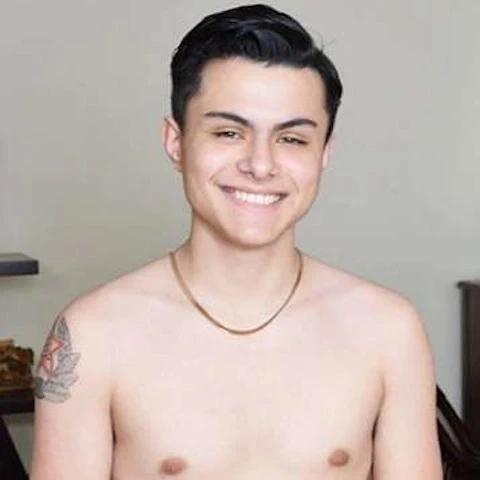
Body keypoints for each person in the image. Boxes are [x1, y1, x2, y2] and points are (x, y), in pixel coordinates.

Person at [30, 4, 442, 479]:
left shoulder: (388, 328)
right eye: (228, 132)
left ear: (324, 153)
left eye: (292, 139)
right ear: (176, 142)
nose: (260, 165)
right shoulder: (93, 333)